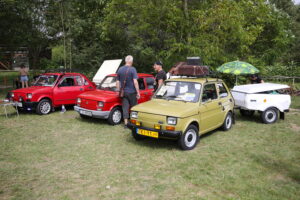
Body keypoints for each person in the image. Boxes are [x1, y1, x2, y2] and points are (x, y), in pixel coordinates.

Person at [116, 55, 140, 127]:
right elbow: (135, 82)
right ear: (131, 61)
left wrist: (118, 90)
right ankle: (134, 122)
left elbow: (117, 82)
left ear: (125, 61)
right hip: (132, 92)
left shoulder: (120, 69)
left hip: (124, 92)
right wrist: (138, 92)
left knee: (125, 108)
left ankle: (126, 123)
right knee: (134, 107)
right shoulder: (133, 69)